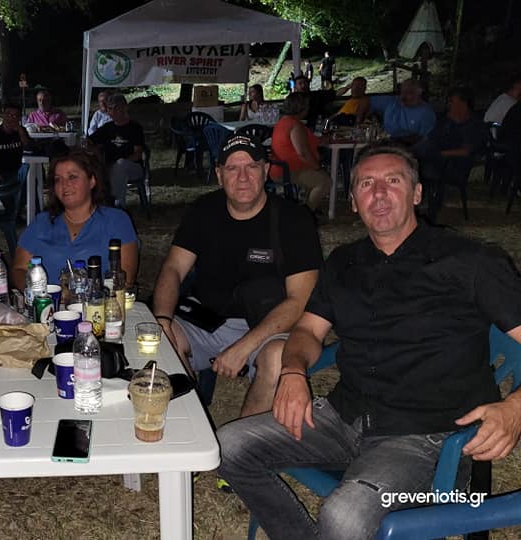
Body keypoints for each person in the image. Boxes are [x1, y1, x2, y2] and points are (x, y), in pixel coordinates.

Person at [217, 143, 521, 540]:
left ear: (416, 193)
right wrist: (292, 371)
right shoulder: (344, 262)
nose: (378, 193)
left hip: (427, 437)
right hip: (344, 416)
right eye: (365, 184)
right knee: (226, 446)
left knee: (344, 516)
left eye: (393, 181)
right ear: (354, 202)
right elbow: (307, 331)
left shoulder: (470, 262)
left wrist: (515, 407)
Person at [152, 135, 321, 413]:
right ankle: (189, 423)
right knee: (156, 342)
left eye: (251, 166)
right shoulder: (203, 210)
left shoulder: (293, 220)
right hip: (205, 319)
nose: (243, 177)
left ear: (266, 170)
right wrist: (162, 321)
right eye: (232, 168)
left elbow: (299, 300)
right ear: (219, 175)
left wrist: (243, 347)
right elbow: (173, 269)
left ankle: (244, 437)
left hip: (268, 324)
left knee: (277, 359)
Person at [12, 149, 138, 289]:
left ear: (92, 181)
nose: (64, 184)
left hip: (99, 301)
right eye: (58, 179)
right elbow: (19, 269)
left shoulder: (116, 221)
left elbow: (126, 279)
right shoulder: (42, 222)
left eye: (72, 177)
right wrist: (37, 294)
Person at [413, 88, 487, 221]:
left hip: (456, 165)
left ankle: (430, 210)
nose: (449, 105)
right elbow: (431, 138)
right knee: (415, 158)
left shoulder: (473, 125)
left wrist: (441, 153)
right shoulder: (446, 120)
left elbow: (466, 151)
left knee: (427, 168)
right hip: (438, 159)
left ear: (463, 103)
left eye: (452, 101)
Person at [271, 92, 334, 212]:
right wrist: (317, 167)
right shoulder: (294, 125)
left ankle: (306, 208)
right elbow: (303, 153)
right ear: (301, 107)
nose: (309, 108)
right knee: (325, 182)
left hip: (282, 168)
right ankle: (307, 213)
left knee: (315, 179)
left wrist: (320, 141)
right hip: (289, 170)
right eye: (307, 105)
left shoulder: (282, 122)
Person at [88, 94, 146, 206]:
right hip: (109, 167)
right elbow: (88, 141)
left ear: (124, 108)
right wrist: (96, 152)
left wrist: (116, 165)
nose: (112, 111)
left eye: (116, 108)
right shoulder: (107, 128)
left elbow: (138, 154)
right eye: (110, 108)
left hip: (133, 168)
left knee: (120, 165)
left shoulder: (135, 128)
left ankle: (118, 204)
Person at [372, 78, 436, 145]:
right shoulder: (392, 102)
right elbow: (367, 100)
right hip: (381, 142)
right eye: (402, 92)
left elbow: (423, 140)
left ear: (419, 93)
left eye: (409, 93)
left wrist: (397, 140)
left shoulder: (426, 113)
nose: (403, 96)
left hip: (404, 147)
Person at [0, 102, 30, 184]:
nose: (11, 118)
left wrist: (21, 131)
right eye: (8, 114)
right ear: (3, 115)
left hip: (16, 171)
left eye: (15, 116)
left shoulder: (22, 132)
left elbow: (28, 147)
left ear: (19, 118)